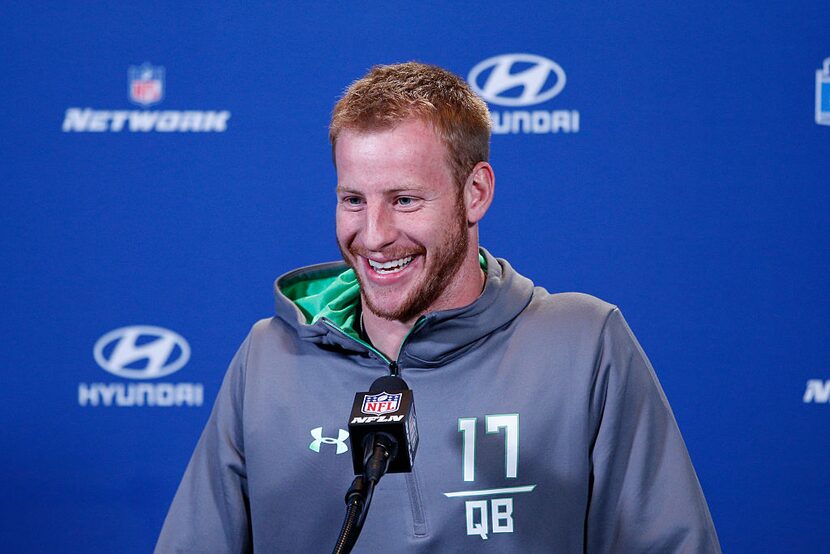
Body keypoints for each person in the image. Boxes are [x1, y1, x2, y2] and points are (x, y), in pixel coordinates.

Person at [156, 62, 721, 552]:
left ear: (475, 193)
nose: (373, 236)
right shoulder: (266, 358)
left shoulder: (587, 345)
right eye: (353, 200)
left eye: (404, 200)